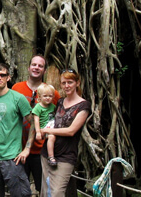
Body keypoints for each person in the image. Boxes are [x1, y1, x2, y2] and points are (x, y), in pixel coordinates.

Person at [0, 62, 35, 197]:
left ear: (8, 77)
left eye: (2, 75)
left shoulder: (17, 98)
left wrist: (27, 148)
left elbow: (33, 122)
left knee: (21, 194)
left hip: (12, 157)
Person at [11, 55, 60, 191]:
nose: (36, 68)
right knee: (20, 189)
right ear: (28, 67)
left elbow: (58, 117)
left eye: (40, 66)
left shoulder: (52, 93)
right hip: (19, 149)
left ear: (44, 70)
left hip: (43, 149)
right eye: (34, 65)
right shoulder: (16, 89)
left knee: (44, 188)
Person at [39, 69, 91, 197]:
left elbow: (71, 131)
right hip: (48, 153)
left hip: (66, 155)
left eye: (70, 82)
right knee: (46, 192)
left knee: (57, 192)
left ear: (77, 83)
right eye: (63, 83)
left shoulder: (84, 105)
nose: (67, 86)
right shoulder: (60, 102)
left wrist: (47, 130)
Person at [33, 83, 57, 166]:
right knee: (51, 137)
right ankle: (51, 157)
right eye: (45, 96)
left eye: (50, 96)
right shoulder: (38, 107)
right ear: (39, 96)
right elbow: (36, 120)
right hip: (45, 127)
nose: (48, 98)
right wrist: (38, 132)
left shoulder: (53, 106)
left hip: (53, 125)